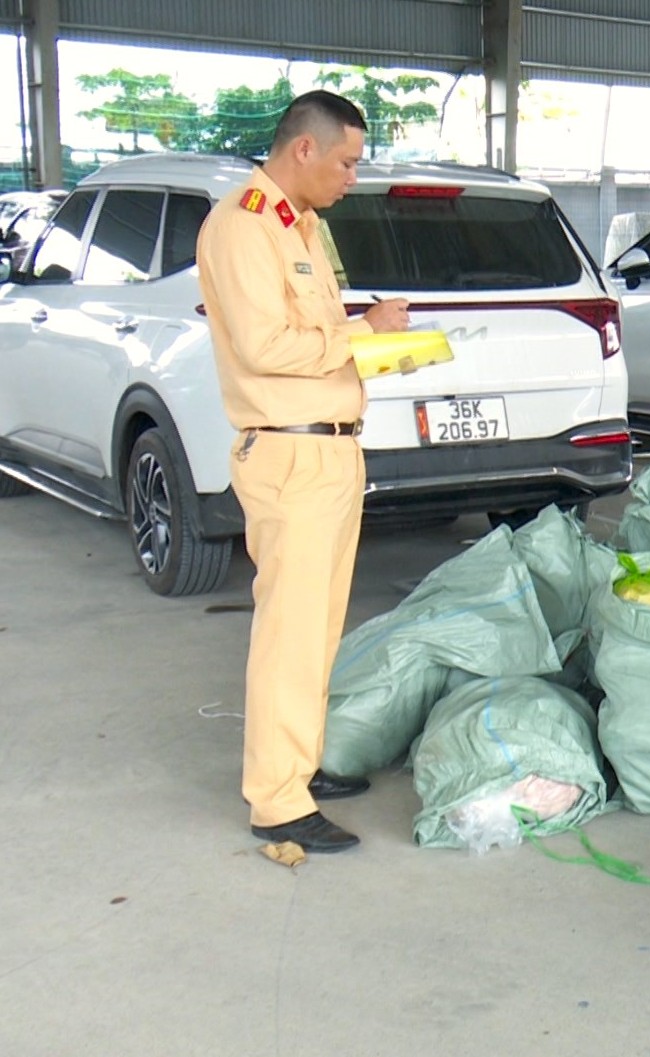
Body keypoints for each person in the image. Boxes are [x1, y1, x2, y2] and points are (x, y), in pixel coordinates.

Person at [197, 90, 410, 853]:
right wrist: (361, 335)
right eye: (348, 161)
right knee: (289, 633)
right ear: (304, 150)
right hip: (288, 452)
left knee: (318, 630)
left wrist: (379, 346)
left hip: (330, 448)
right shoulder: (244, 223)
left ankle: (299, 762)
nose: (353, 176)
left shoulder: (303, 226)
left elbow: (316, 338)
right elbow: (263, 347)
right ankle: (277, 800)